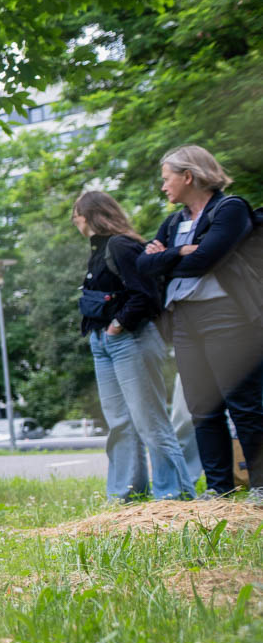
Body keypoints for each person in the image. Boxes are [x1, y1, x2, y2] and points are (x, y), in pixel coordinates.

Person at [138, 145, 262, 497]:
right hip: (185, 320)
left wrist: (167, 258)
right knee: (202, 409)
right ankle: (220, 489)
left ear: (188, 176)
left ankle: (260, 486)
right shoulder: (174, 222)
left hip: (227, 317)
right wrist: (179, 252)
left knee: (244, 403)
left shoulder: (230, 209)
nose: (163, 187)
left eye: (167, 179)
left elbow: (206, 260)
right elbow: (143, 265)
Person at [71, 190, 192, 501]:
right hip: (104, 342)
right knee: (120, 423)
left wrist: (119, 324)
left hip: (130, 339)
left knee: (150, 420)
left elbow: (146, 294)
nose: (74, 219)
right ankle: (126, 495)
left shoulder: (121, 245)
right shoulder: (98, 249)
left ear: (89, 215)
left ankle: (173, 495)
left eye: (76, 213)